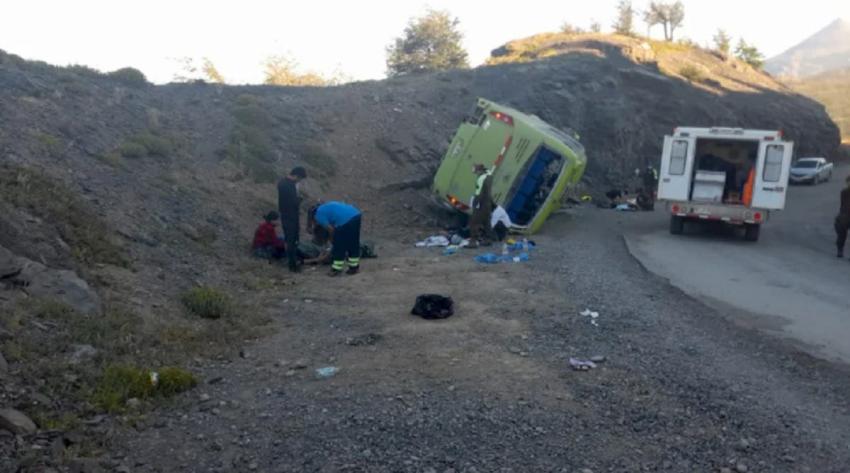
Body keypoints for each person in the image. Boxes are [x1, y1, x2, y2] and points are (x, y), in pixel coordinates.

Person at [309, 201, 362, 276]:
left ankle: (336, 269)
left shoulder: (318, 215)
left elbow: (331, 229)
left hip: (344, 219)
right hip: (356, 214)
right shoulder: (326, 206)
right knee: (353, 243)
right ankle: (354, 268)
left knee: (339, 246)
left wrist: (334, 241)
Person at [277, 167, 307, 272]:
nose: (299, 181)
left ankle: (292, 262)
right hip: (290, 216)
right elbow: (294, 203)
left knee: (290, 240)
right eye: (300, 179)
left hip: (286, 215)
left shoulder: (282, 183)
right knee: (292, 240)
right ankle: (292, 265)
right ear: (297, 176)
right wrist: (299, 199)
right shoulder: (289, 185)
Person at [468, 164, 494, 247]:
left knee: (474, 222)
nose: (476, 173)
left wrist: (475, 204)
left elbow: (478, 193)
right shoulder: (489, 175)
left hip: (481, 203)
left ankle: (473, 242)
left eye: (476, 171)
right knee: (487, 221)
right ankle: (488, 239)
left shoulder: (481, 179)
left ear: (479, 171)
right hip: (488, 203)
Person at [835, 175, 850, 258]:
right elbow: (843, 205)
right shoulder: (844, 192)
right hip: (845, 216)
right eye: (848, 182)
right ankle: (840, 250)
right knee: (841, 233)